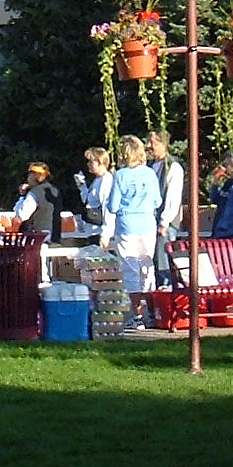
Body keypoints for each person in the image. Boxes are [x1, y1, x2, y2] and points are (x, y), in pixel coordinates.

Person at [106, 135, 160, 323]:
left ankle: (137, 315)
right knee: (147, 266)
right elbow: (157, 201)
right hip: (148, 224)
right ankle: (153, 313)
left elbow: (113, 206)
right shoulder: (150, 173)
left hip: (127, 225)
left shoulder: (121, 175)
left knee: (131, 269)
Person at [147, 131, 186, 279]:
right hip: (150, 221)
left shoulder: (173, 167)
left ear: (163, 144)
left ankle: (167, 289)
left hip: (165, 223)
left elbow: (173, 197)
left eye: (153, 143)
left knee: (163, 261)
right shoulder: (150, 166)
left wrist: (164, 222)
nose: (149, 146)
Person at [13, 162, 62, 237]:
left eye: (30, 174)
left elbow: (21, 215)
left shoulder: (34, 193)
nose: (27, 178)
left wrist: (22, 195)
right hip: (54, 236)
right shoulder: (55, 191)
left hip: (35, 238)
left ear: (35, 176)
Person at [78, 146, 114, 245]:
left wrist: (106, 233)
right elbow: (88, 200)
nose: (88, 164)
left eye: (91, 161)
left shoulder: (106, 181)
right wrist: (82, 186)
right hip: (91, 229)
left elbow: (107, 207)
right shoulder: (97, 179)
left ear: (99, 162)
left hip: (98, 230)